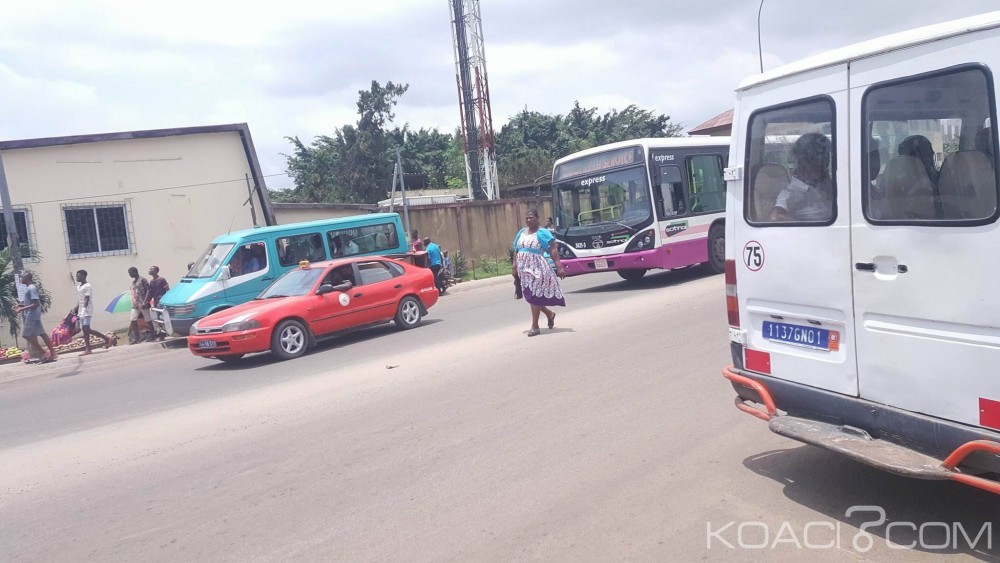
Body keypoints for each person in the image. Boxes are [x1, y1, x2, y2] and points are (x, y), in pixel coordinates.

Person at [512, 209, 566, 336]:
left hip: (537, 269)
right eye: (527, 218)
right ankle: (549, 314)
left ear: (537, 218)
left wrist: (559, 267)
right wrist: (514, 265)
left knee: (534, 297)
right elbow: (516, 249)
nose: (529, 220)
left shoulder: (542, 233)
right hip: (523, 270)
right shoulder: (521, 233)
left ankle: (535, 326)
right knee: (530, 296)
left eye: (531, 217)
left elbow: (553, 250)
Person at [770, 133, 834, 221]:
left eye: (827, 156)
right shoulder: (791, 191)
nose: (826, 162)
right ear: (805, 161)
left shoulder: (826, 184)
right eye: (821, 157)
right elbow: (775, 217)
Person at [14, 272, 57, 362]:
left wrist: (21, 310)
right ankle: (52, 353)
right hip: (34, 315)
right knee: (42, 333)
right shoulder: (28, 288)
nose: (21, 279)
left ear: (28, 278)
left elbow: (36, 304)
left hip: (32, 315)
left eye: (22, 277)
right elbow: (30, 303)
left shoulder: (31, 288)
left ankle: (43, 352)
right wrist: (19, 305)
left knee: (26, 335)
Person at [75, 269, 113, 354]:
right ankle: (88, 349)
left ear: (84, 276)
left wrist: (84, 310)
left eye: (78, 275)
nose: (77, 277)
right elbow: (80, 299)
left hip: (87, 310)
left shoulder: (87, 286)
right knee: (85, 330)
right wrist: (76, 309)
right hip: (81, 310)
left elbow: (87, 299)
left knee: (86, 328)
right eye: (76, 275)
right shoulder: (78, 287)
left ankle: (106, 338)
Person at [128, 266, 155, 344]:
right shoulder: (133, 282)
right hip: (136, 305)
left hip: (143, 303)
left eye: (130, 273)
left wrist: (145, 301)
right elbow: (133, 292)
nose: (130, 275)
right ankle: (137, 338)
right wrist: (133, 301)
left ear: (135, 272)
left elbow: (148, 291)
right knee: (133, 319)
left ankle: (153, 336)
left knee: (148, 320)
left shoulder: (143, 280)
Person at [147, 266, 170, 340]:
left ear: (156, 271)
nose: (149, 270)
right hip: (156, 301)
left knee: (161, 317)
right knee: (157, 318)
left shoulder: (162, 280)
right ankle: (161, 333)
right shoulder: (151, 282)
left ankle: (163, 334)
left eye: (151, 269)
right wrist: (147, 301)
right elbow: (151, 293)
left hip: (161, 301)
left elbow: (167, 290)